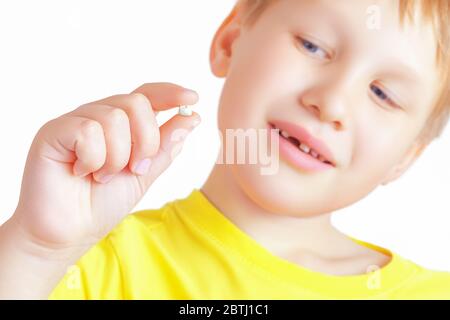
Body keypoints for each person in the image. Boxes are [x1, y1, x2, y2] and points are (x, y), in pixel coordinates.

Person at [1, 0, 449, 299]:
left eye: (383, 94)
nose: (330, 102)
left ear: (408, 155)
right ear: (230, 42)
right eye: (312, 46)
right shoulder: (86, 268)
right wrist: (34, 248)